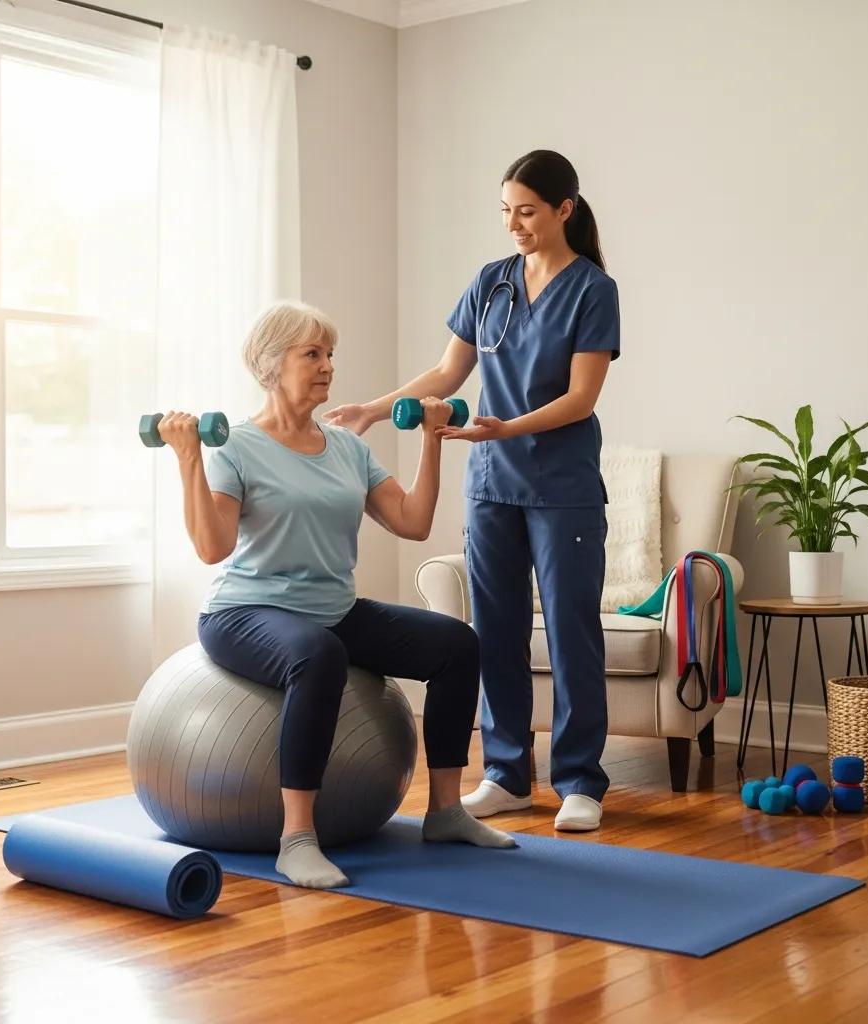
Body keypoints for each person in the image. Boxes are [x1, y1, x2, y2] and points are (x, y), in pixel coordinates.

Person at [158, 300, 514, 891]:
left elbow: (412, 522)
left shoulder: (348, 447)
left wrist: (431, 440)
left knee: (456, 643)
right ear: (272, 365)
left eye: (330, 355)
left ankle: (446, 811)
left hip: (333, 610)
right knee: (317, 654)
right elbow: (212, 548)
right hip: (245, 612)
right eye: (312, 354)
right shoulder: (237, 447)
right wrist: (189, 457)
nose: (327, 366)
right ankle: (297, 838)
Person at [325, 151, 620, 832]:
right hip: (491, 486)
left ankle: (581, 780)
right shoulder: (491, 282)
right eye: (507, 211)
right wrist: (373, 409)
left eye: (528, 211)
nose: (515, 224)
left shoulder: (593, 290)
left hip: (563, 486)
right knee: (495, 631)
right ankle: (507, 774)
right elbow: (446, 372)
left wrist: (506, 428)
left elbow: (582, 398)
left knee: (571, 631)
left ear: (564, 210)